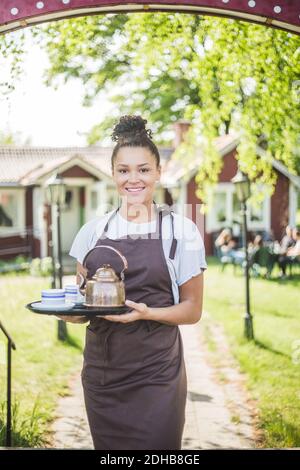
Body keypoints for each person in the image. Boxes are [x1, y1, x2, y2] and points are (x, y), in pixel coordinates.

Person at [57, 115, 207, 450]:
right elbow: (84, 304)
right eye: (124, 170)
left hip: (156, 372)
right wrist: (70, 313)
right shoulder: (92, 232)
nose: (133, 179)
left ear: (158, 172)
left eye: (143, 169)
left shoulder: (181, 231)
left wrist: (147, 313)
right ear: (113, 175)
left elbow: (192, 310)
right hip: (103, 373)